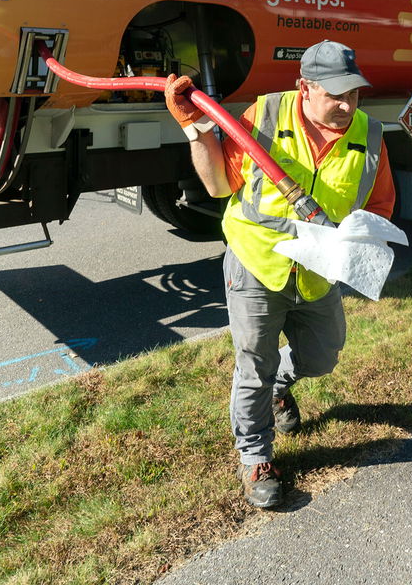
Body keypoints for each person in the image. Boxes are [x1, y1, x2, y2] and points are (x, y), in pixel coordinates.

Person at [164, 40, 395, 509]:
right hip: (256, 262)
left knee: (322, 356)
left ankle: (280, 386)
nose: (346, 104)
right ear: (304, 87)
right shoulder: (265, 117)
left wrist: (357, 242)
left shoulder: (369, 136)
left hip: (317, 271)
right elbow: (216, 186)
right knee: (254, 365)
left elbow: (379, 207)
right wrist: (194, 128)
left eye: (354, 93)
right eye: (335, 94)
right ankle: (255, 458)